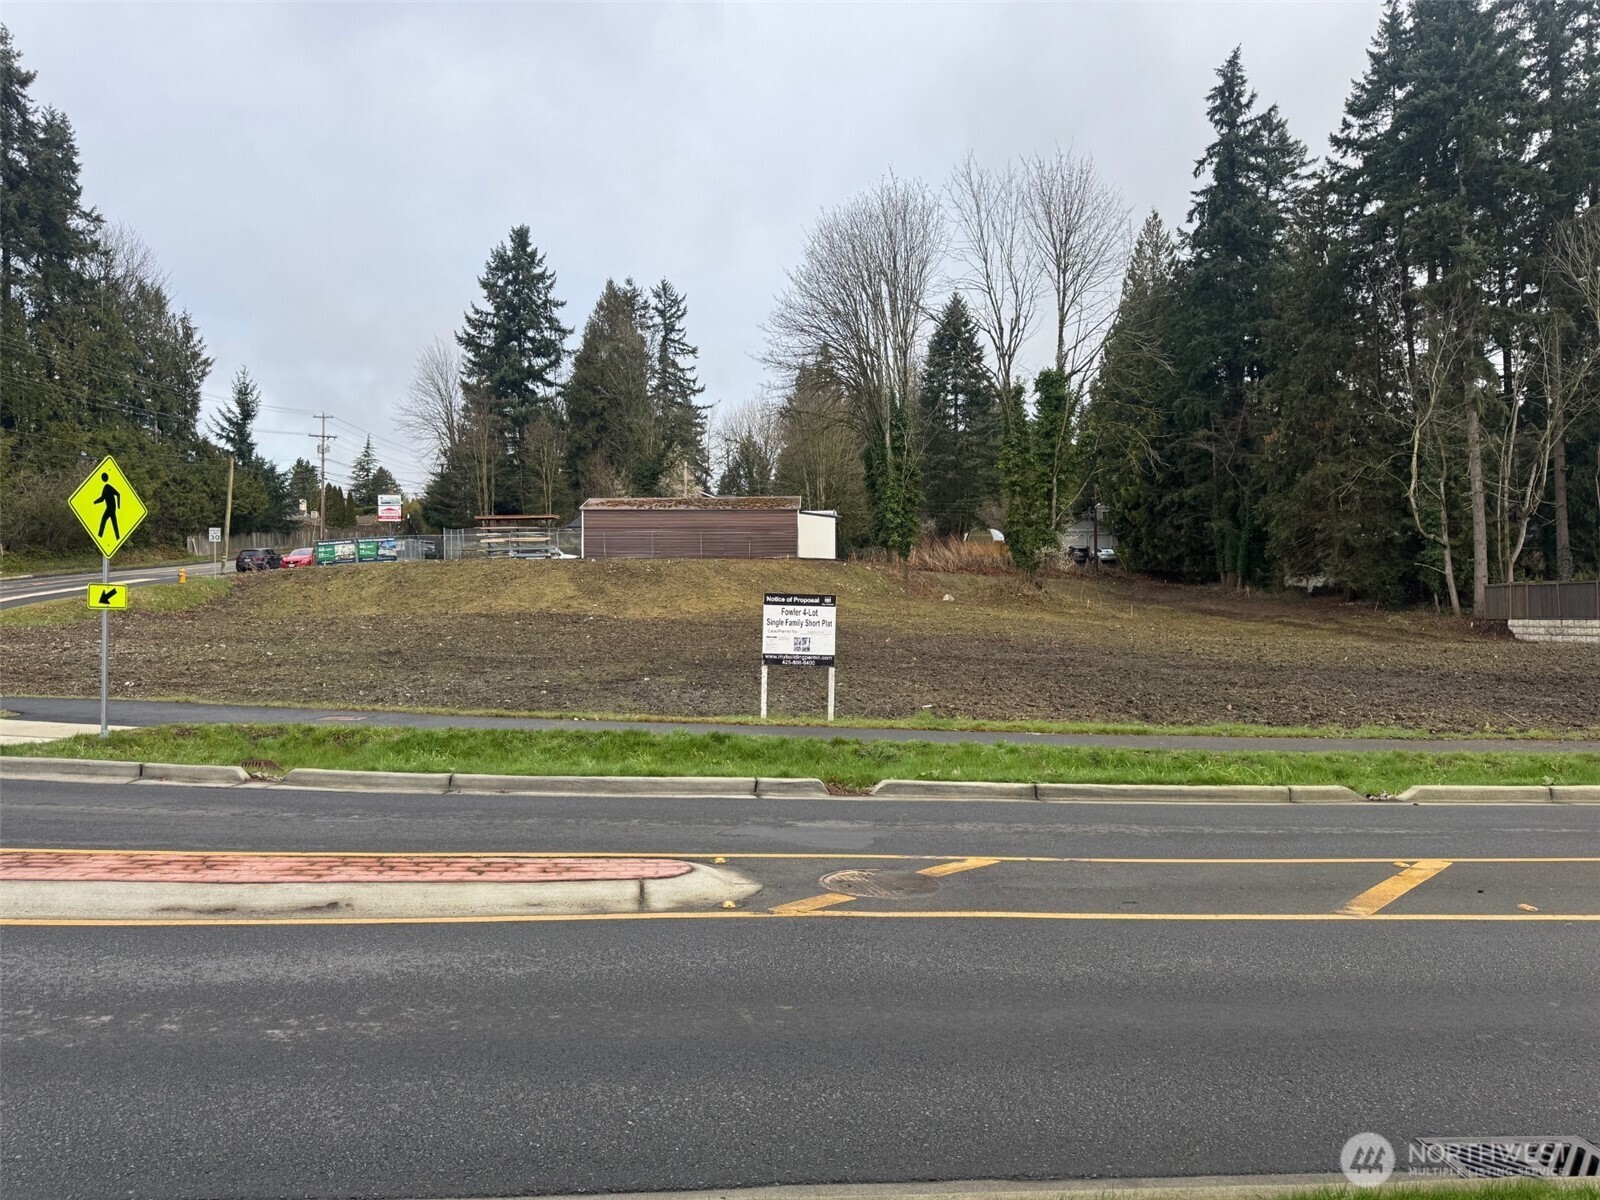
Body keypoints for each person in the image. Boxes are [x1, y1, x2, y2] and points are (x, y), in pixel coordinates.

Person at [94, 472, 121, 540]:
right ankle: (117, 537)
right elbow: (102, 499)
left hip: (110, 509)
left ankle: (100, 536)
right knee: (114, 523)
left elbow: (118, 494)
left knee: (104, 520)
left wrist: (119, 506)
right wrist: (95, 502)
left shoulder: (107, 487)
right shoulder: (106, 487)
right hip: (111, 508)